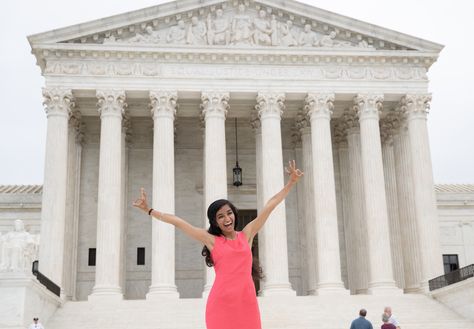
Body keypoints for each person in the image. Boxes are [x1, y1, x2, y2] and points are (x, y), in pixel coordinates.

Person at [133, 160, 303, 329]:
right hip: (221, 304)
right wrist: (149, 210)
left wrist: (290, 183)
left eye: (229, 213)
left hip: (247, 303)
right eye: (220, 216)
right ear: (215, 221)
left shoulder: (247, 234)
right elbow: (178, 222)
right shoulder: (211, 240)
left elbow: (269, 206)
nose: (227, 219)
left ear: (234, 214)